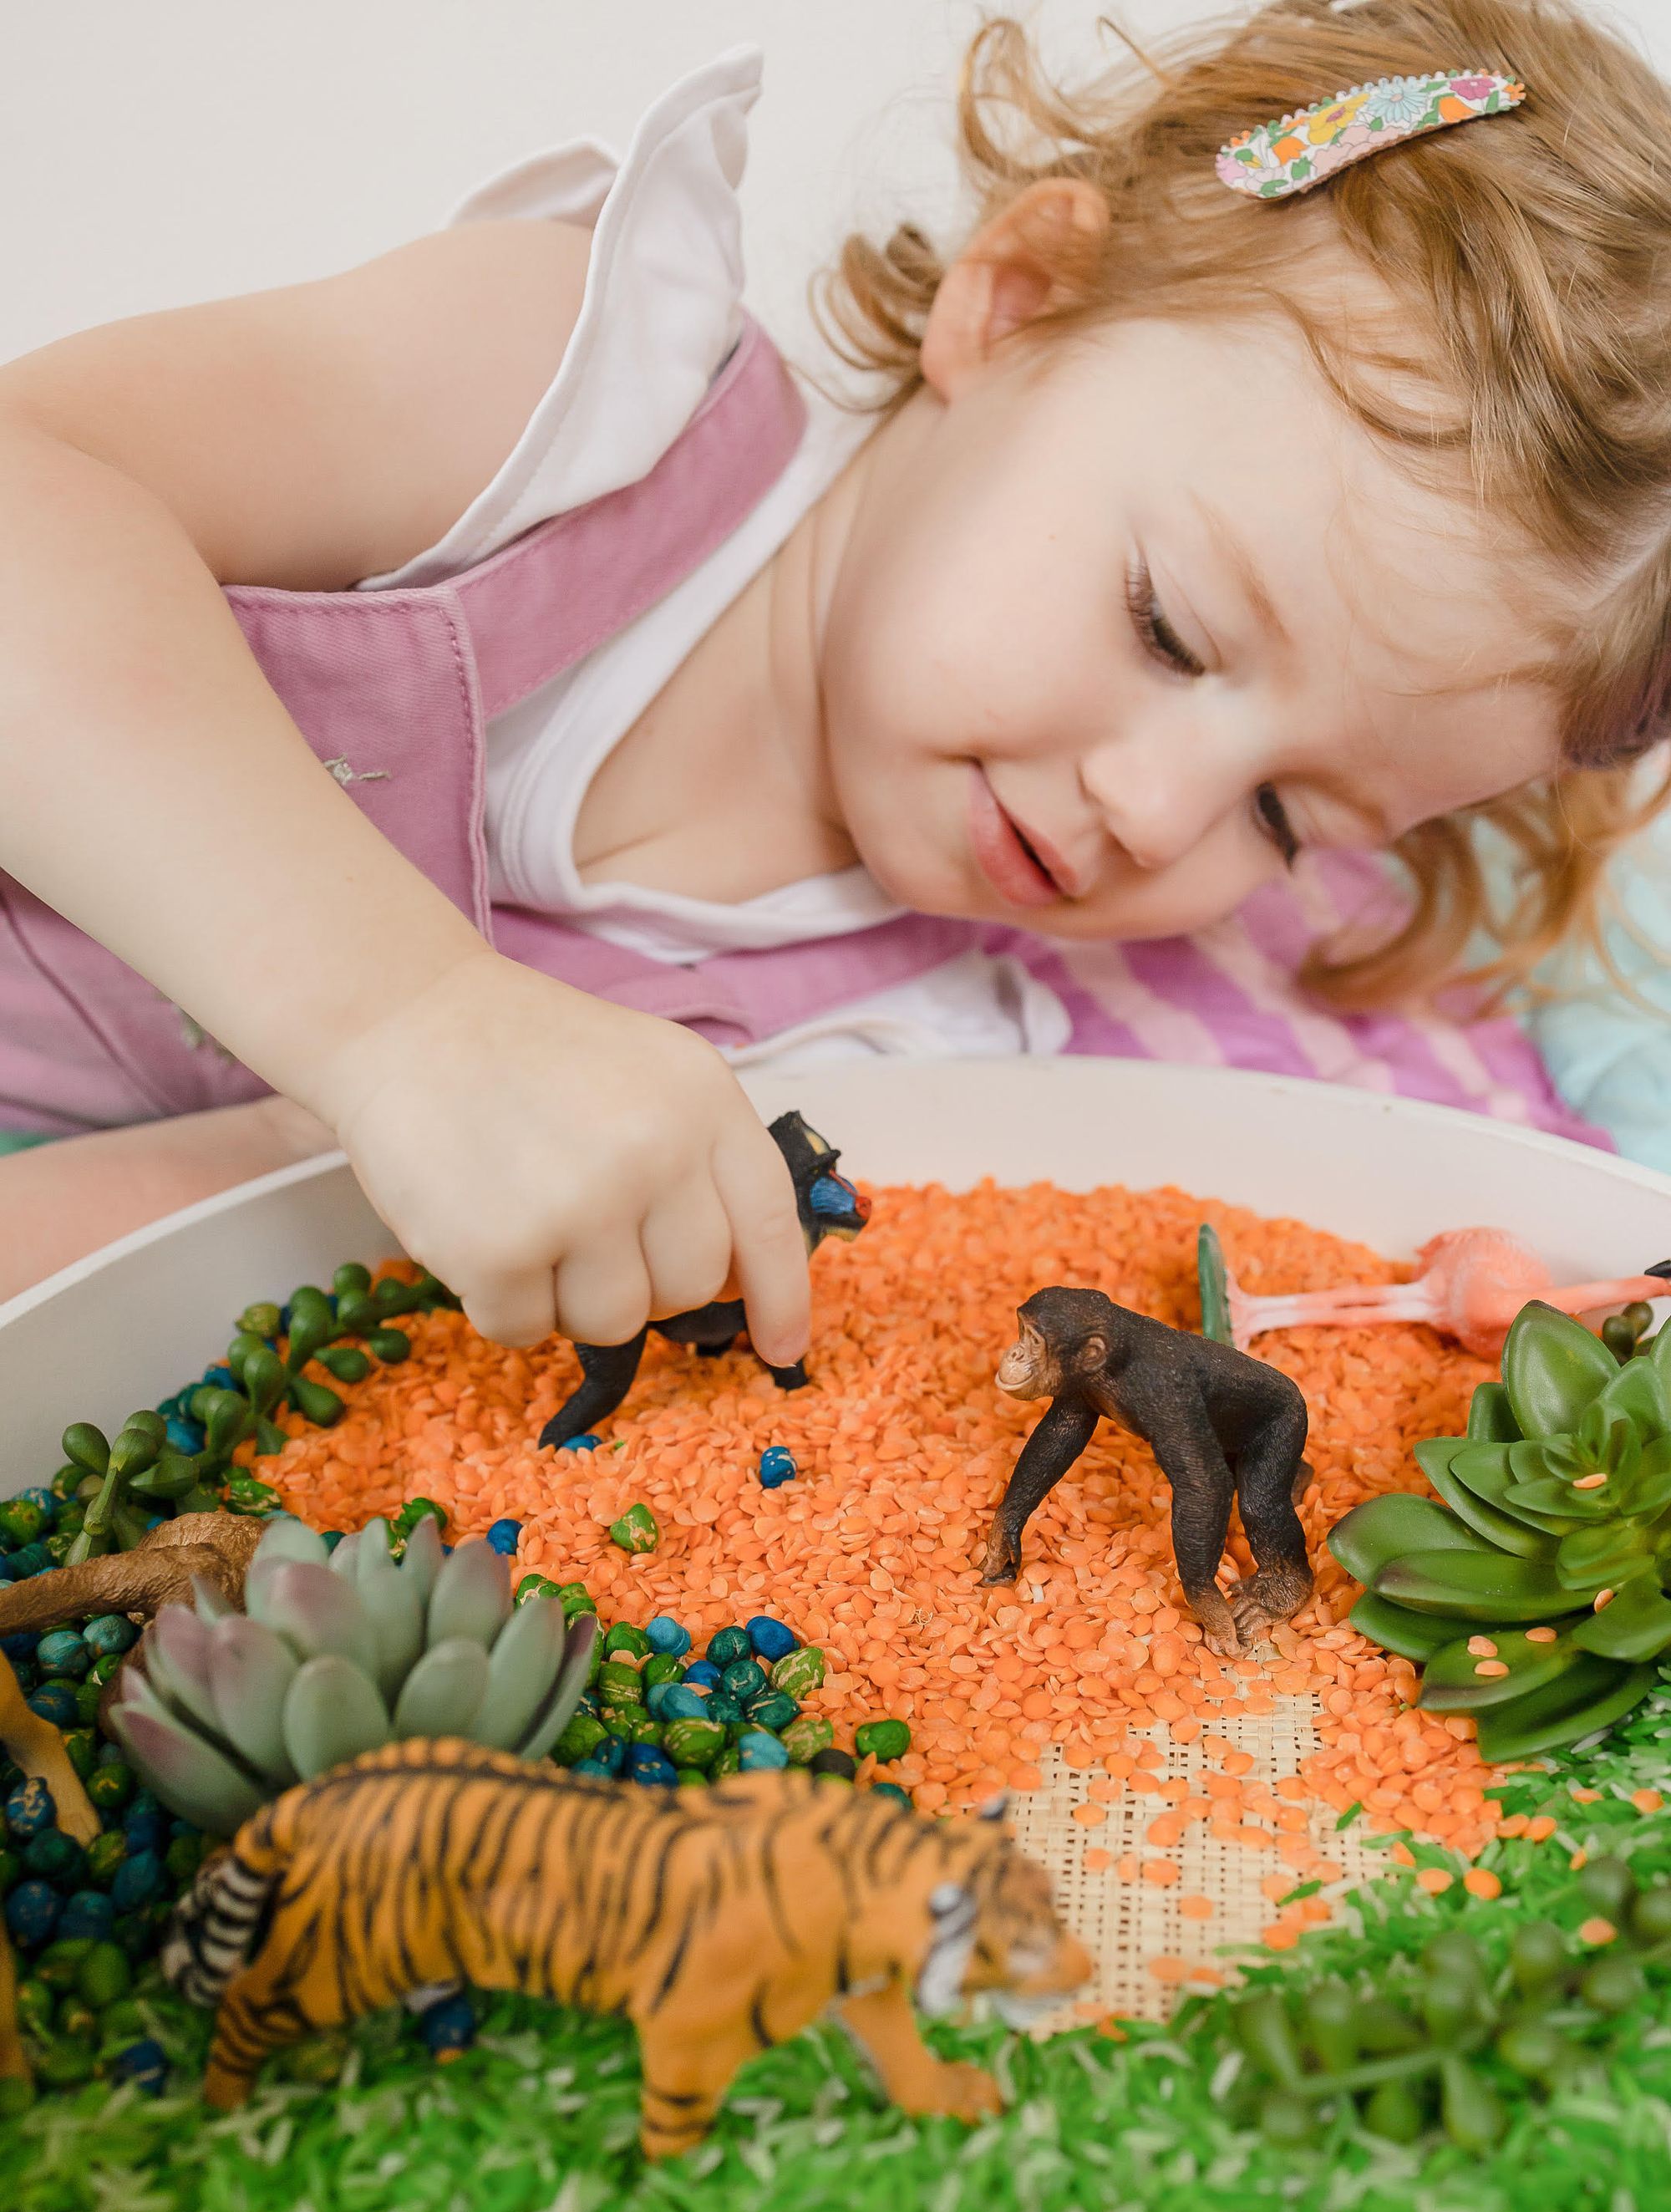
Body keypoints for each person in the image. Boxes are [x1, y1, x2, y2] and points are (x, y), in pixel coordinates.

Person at [1, 0, 1668, 1339]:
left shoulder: (906, 1059)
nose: (1153, 811)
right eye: (1166, 625)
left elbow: (209, 1243)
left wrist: (379, 1126)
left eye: (1292, 820)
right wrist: (400, 1021)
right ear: (1012, 305)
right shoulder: (576, 402)